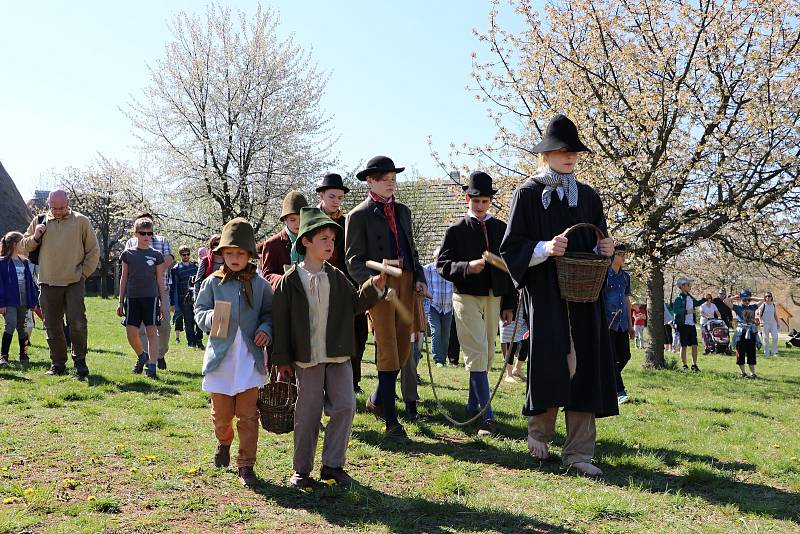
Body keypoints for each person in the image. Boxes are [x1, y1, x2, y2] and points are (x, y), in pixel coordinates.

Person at [500, 114, 617, 476]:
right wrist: (544, 248)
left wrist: (606, 249)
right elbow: (512, 247)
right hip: (546, 292)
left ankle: (580, 453)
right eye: (562, 150)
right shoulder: (528, 194)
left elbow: (599, 241)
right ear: (546, 154)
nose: (569, 157)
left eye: (574, 151)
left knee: (585, 365)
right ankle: (539, 433)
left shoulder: (589, 197)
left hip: (585, 292)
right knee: (551, 359)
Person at [273, 207, 386, 488]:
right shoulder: (290, 281)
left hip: (338, 356)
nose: (330, 244)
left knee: (346, 407)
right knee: (307, 415)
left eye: (333, 240)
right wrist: (282, 360)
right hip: (306, 359)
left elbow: (356, 305)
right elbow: (281, 323)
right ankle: (301, 470)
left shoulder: (336, 276)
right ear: (306, 242)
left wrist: (375, 285)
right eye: (323, 238)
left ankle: (333, 465)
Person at [345, 155, 427, 443]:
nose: (390, 183)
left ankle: (378, 399)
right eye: (384, 178)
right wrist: (371, 284)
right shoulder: (358, 215)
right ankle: (392, 421)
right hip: (380, 285)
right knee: (388, 348)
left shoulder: (403, 211)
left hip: (405, 281)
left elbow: (412, 249)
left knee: (405, 348)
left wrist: (419, 278)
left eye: (393, 178)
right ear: (370, 181)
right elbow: (353, 260)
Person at [194, 218, 273, 487]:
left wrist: (266, 329)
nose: (235, 258)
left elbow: (269, 314)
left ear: (250, 255)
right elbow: (199, 311)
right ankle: (224, 441)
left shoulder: (261, 285)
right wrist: (212, 317)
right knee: (222, 416)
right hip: (222, 359)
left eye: (240, 253)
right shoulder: (213, 283)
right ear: (221, 255)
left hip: (249, 360)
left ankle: (246, 464)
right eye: (229, 253)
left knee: (249, 416)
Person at [437, 171, 516, 436]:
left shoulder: (502, 228)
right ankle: (487, 416)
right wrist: (467, 267)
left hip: (495, 297)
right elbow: (442, 266)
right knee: (477, 351)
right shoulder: (456, 230)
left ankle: (473, 406)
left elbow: (510, 269)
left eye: (484, 201)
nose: (479, 205)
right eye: (475, 200)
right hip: (466, 296)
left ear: (490, 200)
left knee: (486, 353)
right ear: (467, 198)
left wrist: (509, 303)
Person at [21, 189, 99, 378]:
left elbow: (93, 250)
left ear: (68, 203)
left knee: (77, 322)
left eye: (62, 207)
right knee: (52, 325)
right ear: (48, 204)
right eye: (54, 208)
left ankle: (79, 360)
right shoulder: (39, 220)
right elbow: (23, 246)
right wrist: (36, 236)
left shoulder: (81, 221)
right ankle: (57, 363)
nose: (57, 211)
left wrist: (84, 274)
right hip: (47, 281)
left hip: (74, 281)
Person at [316, 173, 369, 393]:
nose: (336, 201)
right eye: (332, 196)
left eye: (339, 197)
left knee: (358, 333)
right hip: (319, 282)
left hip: (347, 283)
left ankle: (353, 381)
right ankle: (323, 382)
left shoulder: (347, 221)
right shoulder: (311, 219)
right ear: (321, 195)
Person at [117, 218, 167, 379]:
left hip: (151, 298)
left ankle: (152, 365)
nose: (146, 236)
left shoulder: (157, 255)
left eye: (149, 233)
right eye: (143, 233)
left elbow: (160, 279)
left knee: (152, 331)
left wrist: (162, 302)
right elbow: (123, 278)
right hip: (132, 298)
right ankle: (141, 355)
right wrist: (120, 301)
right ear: (135, 234)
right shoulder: (128, 254)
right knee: (131, 333)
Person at [0, 232, 39, 366]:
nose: (24, 245)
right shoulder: (2, 263)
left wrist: (33, 301)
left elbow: (31, 284)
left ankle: (24, 354)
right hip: (9, 302)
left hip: (24, 302)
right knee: (10, 325)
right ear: (16, 245)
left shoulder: (25, 262)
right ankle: (4, 356)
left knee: (23, 328)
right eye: (22, 242)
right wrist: (1, 303)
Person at [604, 243, 634, 404]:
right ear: (612, 255)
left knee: (625, 356)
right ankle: (619, 391)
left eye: (624, 254)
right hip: (608, 323)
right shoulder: (604, 274)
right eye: (620, 254)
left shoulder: (625, 277)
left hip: (622, 323)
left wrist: (630, 324)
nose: (623, 257)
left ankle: (607, 380)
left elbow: (627, 301)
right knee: (612, 358)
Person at [260, 191, 308, 288]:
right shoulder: (272, 244)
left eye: (301, 219)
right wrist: (284, 281)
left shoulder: (312, 240)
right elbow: (267, 275)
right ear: (285, 219)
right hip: (283, 296)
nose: (298, 224)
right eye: (292, 220)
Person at [423, 248, 454, 368]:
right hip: (433, 305)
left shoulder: (450, 269)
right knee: (436, 331)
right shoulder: (427, 269)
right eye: (438, 259)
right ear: (434, 258)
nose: (440, 261)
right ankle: (438, 359)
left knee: (446, 333)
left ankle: (443, 357)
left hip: (447, 306)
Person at [171, 246, 202, 349]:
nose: (186, 256)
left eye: (188, 254)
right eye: (184, 254)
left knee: (198, 320)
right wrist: (175, 303)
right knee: (188, 321)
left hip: (196, 297)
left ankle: (199, 340)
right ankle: (191, 343)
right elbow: (174, 287)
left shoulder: (195, 266)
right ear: (180, 255)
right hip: (184, 299)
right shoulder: (176, 269)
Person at [672, 277, 703, 371]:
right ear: (682, 286)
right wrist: (686, 311)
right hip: (682, 325)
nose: (690, 286)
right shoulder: (678, 298)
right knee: (684, 345)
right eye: (688, 285)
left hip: (691, 324)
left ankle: (694, 364)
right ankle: (684, 365)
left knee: (694, 345)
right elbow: (675, 310)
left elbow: (696, 303)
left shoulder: (690, 296)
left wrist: (704, 299)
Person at [500, 294, 528, 384]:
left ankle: (517, 369)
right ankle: (508, 374)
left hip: (525, 306)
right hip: (511, 304)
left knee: (526, 340)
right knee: (511, 341)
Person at [733, 308, 761, 378]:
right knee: (740, 356)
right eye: (746, 317)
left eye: (750, 317)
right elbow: (735, 336)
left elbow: (756, 335)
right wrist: (733, 343)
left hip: (751, 343)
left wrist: (758, 343)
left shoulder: (753, 326)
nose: (748, 319)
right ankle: (743, 373)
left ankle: (752, 373)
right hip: (741, 342)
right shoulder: (739, 327)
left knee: (751, 356)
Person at [756, 292, 779, 357]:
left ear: (771, 297)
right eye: (766, 296)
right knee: (766, 338)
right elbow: (759, 315)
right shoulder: (763, 305)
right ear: (764, 298)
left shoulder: (773, 305)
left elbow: (775, 315)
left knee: (775, 337)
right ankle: (766, 352)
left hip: (773, 323)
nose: (767, 298)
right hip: (765, 323)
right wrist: (761, 322)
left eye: (769, 296)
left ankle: (774, 352)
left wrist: (777, 323)